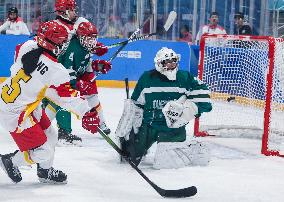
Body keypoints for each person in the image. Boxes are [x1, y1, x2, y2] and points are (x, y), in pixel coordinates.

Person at [0, 21, 94, 184]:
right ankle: (10, 161)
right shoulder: (56, 70)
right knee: (43, 151)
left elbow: (28, 73)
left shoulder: (27, 46)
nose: (65, 45)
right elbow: (66, 98)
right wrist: (86, 112)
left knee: (51, 134)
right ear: (54, 44)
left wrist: (42, 89)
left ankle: (44, 171)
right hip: (15, 113)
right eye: (63, 42)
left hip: (18, 100)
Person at [115, 47, 212, 169]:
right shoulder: (147, 78)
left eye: (174, 61)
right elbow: (136, 105)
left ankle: (190, 149)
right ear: (159, 63)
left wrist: (187, 112)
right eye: (167, 62)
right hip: (149, 126)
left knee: (164, 163)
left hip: (173, 129)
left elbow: (205, 102)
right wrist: (129, 128)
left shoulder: (185, 77)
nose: (171, 65)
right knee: (129, 156)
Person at [44, 0, 111, 144]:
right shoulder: (56, 26)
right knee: (61, 97)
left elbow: (87, 38)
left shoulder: (79, 21)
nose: (75, 11)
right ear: (64, 11)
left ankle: (101, 122)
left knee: (91, 92)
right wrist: (78, 83)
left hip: (77, 66)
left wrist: (96, 49)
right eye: (72, 9)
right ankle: (59, 129)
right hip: (59, 69)